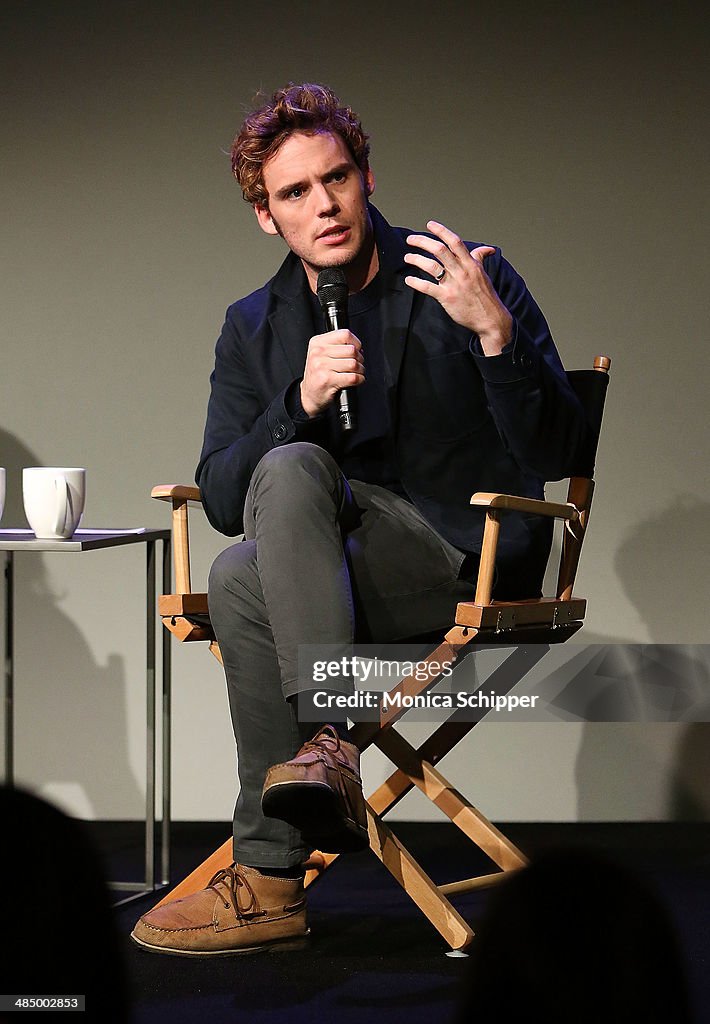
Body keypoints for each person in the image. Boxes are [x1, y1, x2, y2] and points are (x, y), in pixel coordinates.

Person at [132, 82, 587, 956]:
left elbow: (560, 446)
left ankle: (274, 857)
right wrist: (296, 400)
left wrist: (495, 336)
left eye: (335, 178)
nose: (323, 205)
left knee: (277, 505)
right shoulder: (254, 328)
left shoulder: (459, 274)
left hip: (464, 561)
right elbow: (223, 501)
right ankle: (317, 778)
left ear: (366, 176)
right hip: (331, 586)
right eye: (294, 192)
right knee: (240, 558)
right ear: (267, 216)